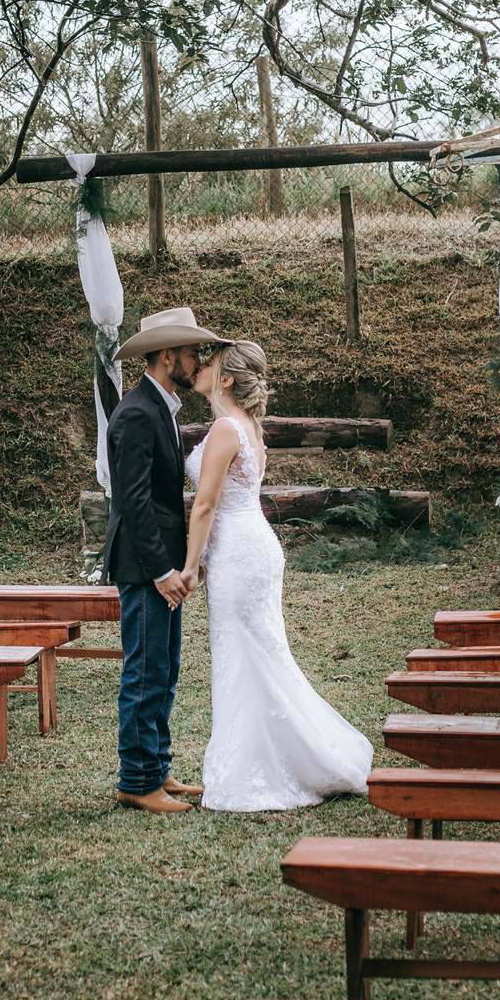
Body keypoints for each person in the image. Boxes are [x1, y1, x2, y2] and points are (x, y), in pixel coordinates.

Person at [182, 340, 373, 811]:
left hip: (238, 553)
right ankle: (291, 755)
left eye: (209, 362)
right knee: (260, 654)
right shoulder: (249, 428)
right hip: (252, 546)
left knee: (245, 655)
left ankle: (262, 769)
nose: (199, 366)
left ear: (227, 378)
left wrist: (190, 564)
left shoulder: (226, 428)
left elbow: (205, 505)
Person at [104, 307, 230, 814]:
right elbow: (134, 502)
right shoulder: (137, 413)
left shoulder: (161, 407)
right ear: (166, 355)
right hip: (144, 568)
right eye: (192, 352)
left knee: (166, 667)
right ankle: (136, 781)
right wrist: (161, 571)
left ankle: (156, 769)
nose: (197, 360)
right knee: (145, 670)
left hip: (161, 565)